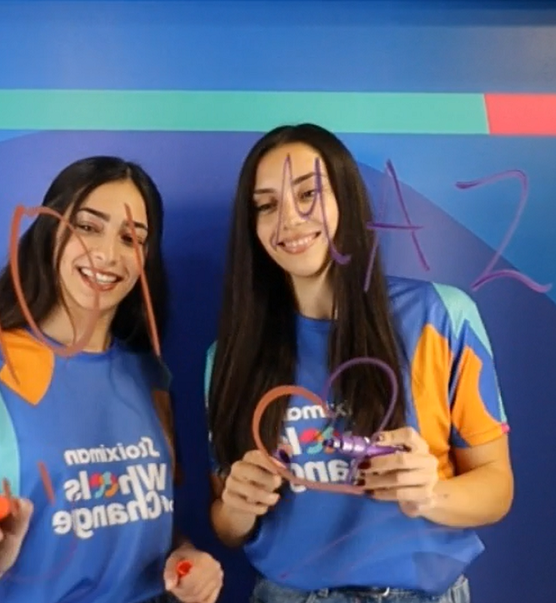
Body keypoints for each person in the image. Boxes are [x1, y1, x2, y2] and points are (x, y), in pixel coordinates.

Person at [204, 124, 514, 603]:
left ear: (346, 199)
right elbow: (227, 527)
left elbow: (497, 488)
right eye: (266, 205)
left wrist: (430, 494)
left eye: (308, 193)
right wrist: (238, 506)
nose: (289, 219)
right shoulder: (229, 355)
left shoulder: (441, 316)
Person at [0, 157, 223, 603]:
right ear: (49, 232)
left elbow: (146, 520)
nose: (107, 254)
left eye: (131, 238)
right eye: (88, 227)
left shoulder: (151, 375)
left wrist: (186, 558)